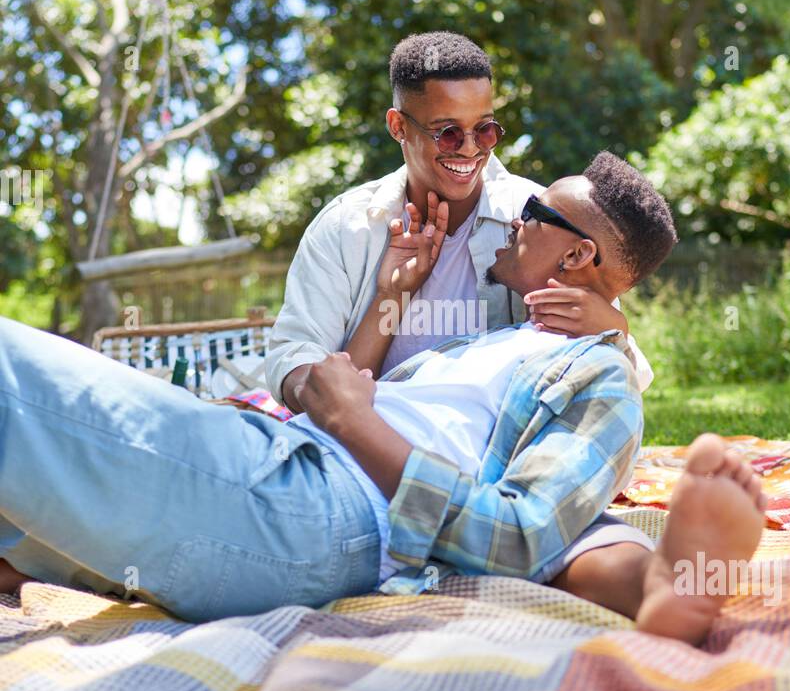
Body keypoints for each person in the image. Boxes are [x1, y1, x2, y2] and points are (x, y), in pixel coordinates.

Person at [0, 156, 766, 645]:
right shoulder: (495, 344)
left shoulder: (594, 375)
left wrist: (352, 419)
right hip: (279, 465)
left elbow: (523, 536)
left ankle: (669, 587)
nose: (516, 211)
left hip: (322, 503)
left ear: (575, 255)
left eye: (534, 211)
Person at [266, 31, 653, 410]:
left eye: (485, 130)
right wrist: (390, 300)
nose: (470, 149)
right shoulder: (346, 228)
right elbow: (298, 360)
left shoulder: (537, 216)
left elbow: (618, 377)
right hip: (377, 440)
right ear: (398, 127)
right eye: (447, 133)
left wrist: (616, 329)